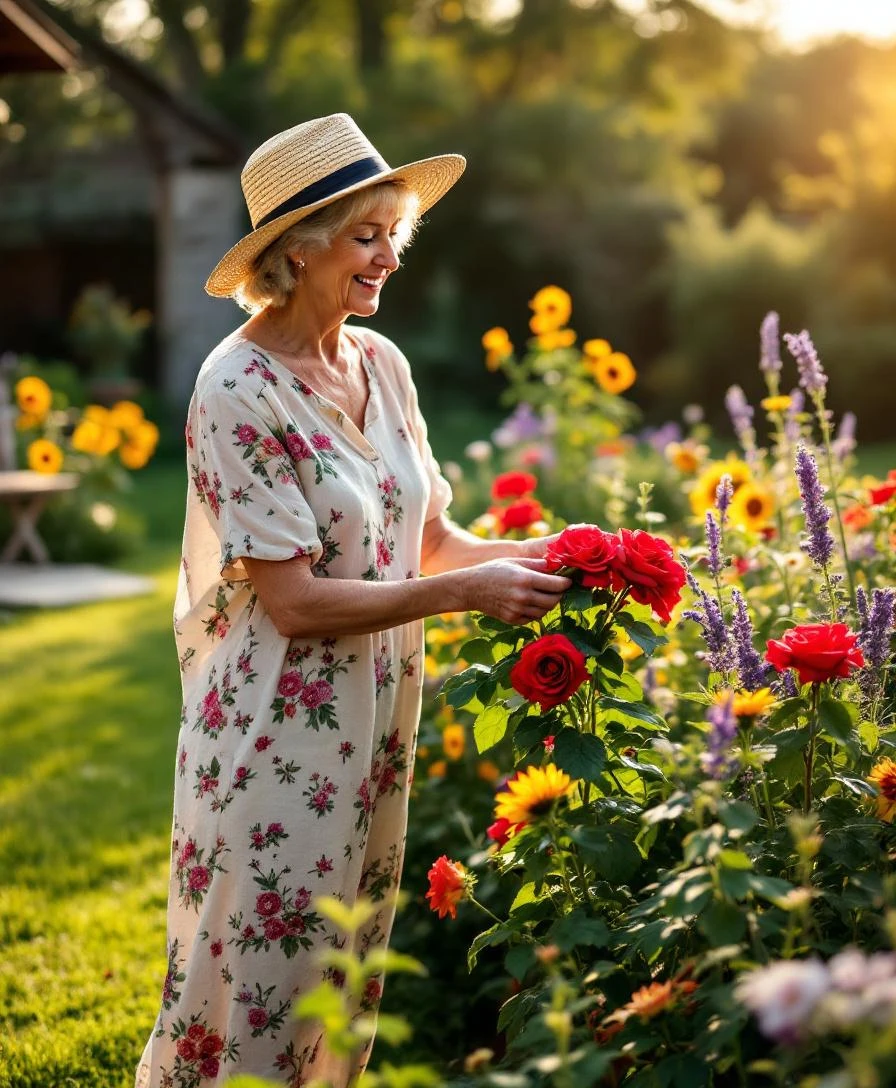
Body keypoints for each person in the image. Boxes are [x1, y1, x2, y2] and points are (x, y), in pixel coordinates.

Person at [136, 113, 570, 1088]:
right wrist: (467, 591)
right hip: (271, 724)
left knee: (339, 973)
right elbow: (289, 601)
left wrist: (548, 554)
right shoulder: (234, 387)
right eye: (364, 236)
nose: (387, 259)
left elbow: (427, 537)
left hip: (369, 723)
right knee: (256, 977)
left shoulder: (381, 365)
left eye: (393, 235)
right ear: (295, 250)